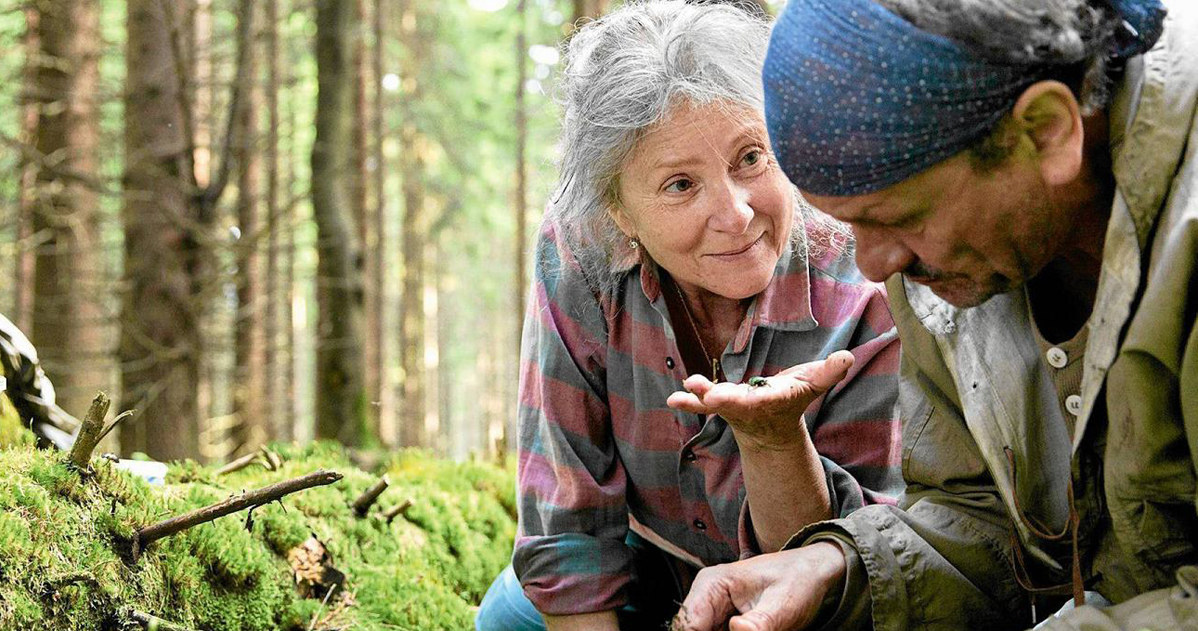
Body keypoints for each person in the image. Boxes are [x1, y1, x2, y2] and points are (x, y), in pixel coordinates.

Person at [674, 0, 1198, 629]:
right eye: (851, 225)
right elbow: (978, 511)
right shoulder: (953, 252)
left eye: (895, 218)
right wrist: (839, 568)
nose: (873, 265)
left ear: (1046, 131)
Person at [473, 2, 905, 630]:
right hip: (643, 559)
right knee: (507, 621)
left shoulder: (862, 276)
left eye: (751, 158)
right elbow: (567, 527)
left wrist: (774, 440)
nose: (734, 214)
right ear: (620, 213)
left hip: (811, 595)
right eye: (681, 184)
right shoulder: (581, 250)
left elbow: (844, 567)